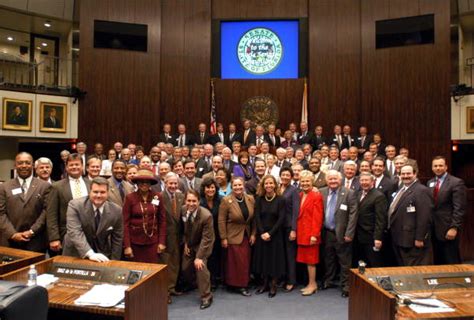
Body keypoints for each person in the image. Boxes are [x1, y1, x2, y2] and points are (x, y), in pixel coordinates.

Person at [62, 177, 123, 261]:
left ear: (108, 193)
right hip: (76, 253)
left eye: (102, 192)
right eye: (95, 192)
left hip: (102, 254)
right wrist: (90, 253)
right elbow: (74, 231)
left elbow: (117, 239)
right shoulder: (75, 205)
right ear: (89, 192)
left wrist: (114, 262)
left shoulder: (117, 210)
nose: (98, 195)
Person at [0, 152, 51, 252]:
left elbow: (46, 212)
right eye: (20, 163)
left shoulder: (44, 186)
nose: (24, 166)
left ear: (32, 165)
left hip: (36, 241)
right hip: (10, 242)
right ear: (15, 165)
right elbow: (1, 213)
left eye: (27, 163)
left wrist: (32, 231)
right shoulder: (4, 187)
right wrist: (13, 234)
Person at [320, 170, 358, 297]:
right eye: (330, 179)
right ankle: (328, 281)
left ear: (340, 180)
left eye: (335, 179)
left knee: (344, 261)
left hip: (343, 233)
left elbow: (353, 215)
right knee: (328, 258)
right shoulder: (322, 192)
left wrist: (349, 233)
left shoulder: (349, 193)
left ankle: (346, 286)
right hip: (326, 232)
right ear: (326, 181)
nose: (333, 181)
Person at [47, 153, 91, 254]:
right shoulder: (56, 186)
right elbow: (51, 214)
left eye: (77, 164)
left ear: (82, 166)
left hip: (89, 235)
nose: (74, 167)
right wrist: (54, 238)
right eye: (71, 165)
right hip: (66, 234)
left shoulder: (91, 184)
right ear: (66, 167)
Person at [218, 177, 255, 296]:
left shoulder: (250, 199)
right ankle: (239, 285)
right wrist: (223, 237)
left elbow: (254, 219)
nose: (238, 188)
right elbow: (221, 220)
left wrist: (254, 233)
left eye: (240, 185)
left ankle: (242, 282)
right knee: (235, 262)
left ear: (243, 185)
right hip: (232, 235)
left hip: (247, 235)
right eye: (235, 185)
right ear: (231, 187)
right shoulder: (226, 200)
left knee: (244, 261)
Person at [389, 165, 432, 266]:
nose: (405, 176)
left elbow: (424, 217)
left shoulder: (421, 190)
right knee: (404, 268)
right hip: (400, 237)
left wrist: (420, 238)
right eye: (403, 174)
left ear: (415, 174)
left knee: (413, 269)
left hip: (412, 240)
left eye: (408, 173)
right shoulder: (401, 189)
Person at [427, 156, 466, 265]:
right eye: (435, 166)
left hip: (448, 228)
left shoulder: (456, 182)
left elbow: (459, 208)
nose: (438, 168)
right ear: (432, 168)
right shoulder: (430, 182)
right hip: (434, 229)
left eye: (440, 165)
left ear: (446, 167)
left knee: (451, 260)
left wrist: (454, 227)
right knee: (438, 260)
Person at [123, 168, 166, 263]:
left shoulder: (157, 197)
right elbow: (125, 223)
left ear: (151, 183)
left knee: (152, 271)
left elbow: (162, 221)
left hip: (153, 243)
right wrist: (127, 246)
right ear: (137, 183)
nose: (144, 184)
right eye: (141, 182)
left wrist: (162, 242)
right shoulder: (130, 198)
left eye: (147, 182)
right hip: (134, 243)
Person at [180, 190, 215, 309]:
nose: (191, 203)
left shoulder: (206, 216)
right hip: (190, 243)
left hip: (203, 245)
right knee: (185, 268)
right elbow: (184, 230)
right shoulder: (183, 210)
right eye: (189, 200)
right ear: (185, 201)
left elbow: (207, 238)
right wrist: (185, 243)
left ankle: (206, 296)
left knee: (200, 268)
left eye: (194, 201)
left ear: (199, 202)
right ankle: (194, 284)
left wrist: (199, 257)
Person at [252, 175, 286, 298]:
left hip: (275, 235)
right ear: (263, 185)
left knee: (274, 261)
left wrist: (270, 233)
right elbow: (257, 217)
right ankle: (264, 283)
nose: (268, 185)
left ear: (275, 185)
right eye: (266, 183)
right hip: (262, 235)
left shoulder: (281, 200)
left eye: (271, 183)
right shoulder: (259, 199)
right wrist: (262, 232)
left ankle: (273, 285)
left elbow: (281, 219)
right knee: (264, 260)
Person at [158, 172, 185, 303]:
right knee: (165, 263)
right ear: (165, 183)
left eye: (175, 183)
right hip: (164, 238)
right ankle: (164, 292)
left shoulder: (181, 196)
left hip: (178, 236)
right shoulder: (158, 197)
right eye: (171, 183)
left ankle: (172, 287)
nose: (173, 186)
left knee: (175, 263)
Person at [296, 170, 323, 296]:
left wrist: (314, 235)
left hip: (311, 234)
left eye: (307, 181)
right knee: (307, 261)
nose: (305, 183)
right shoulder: (300, 194)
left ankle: (313, 284)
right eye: (303, 181)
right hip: (302, 233)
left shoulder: (316, 195)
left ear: (312, 182)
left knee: (311, 262)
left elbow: (318, 217)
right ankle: (310, 283)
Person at [353, 172, 387, 267]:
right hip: (358, 236)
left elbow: (381, 219)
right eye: (362, 180)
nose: (364, 182)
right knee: (361, 264)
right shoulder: (358, 194)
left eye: (366, 180)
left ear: (372, 182)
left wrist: (378, 238)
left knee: (374, 263)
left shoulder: (379, 196)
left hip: (371, 237)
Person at [278, 167, 300, 292]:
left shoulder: (294, 190)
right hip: (278, 227)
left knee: (290, 254)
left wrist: (293, 229)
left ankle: (291, 280)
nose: (285, 177)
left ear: (291, 177)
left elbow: (296, 211)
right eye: (283, 174)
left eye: (287, 175)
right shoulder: (278, 188)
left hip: (288, 227)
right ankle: (282, 278)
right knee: (281, 254)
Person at [199, 178, 222, 290]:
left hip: (218, 233)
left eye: (212, 187)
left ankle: (216, 279)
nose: (210, 190)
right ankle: (208, 281)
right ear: (204, 189)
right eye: (208, 187)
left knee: (217, 257)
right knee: (207, 257)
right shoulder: (199, 202)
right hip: (205, 235)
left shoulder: (221, 200)